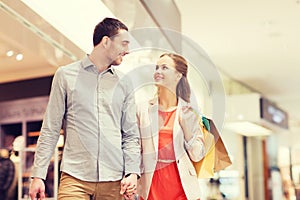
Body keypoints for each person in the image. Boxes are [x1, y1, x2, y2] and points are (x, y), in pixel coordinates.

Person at [29, 17, 141, 200]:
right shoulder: (65, 75)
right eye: (124, 43)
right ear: (106, 41)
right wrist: (38, 175)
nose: (127, 51)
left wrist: (132, 172)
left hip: (114, 182)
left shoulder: (125, 83)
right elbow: (50, 129)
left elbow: (130, 134)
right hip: (75, 179)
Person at [136, 53, 206, 200]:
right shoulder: (143, 109)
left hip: (182, 189)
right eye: (157, 67)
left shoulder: (189, 112)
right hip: (151, 187)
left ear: (178, 76)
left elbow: (197, 155)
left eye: (164, 68)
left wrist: (188, 130)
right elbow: (134, 147)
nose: (158, 72)